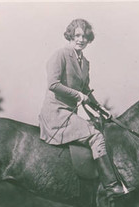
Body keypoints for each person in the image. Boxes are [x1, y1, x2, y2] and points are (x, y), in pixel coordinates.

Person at [39, 18, 126, 197]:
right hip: (56, 113)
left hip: (70, 113)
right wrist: (78, 95)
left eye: (85, 36)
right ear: (70, 35)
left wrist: (100, 108)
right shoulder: (60, 55)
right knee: (95, 135)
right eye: (77, 35)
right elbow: (53, 84)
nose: (81, 39)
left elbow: (85, 89)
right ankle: (111, 185)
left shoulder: (85, 63)